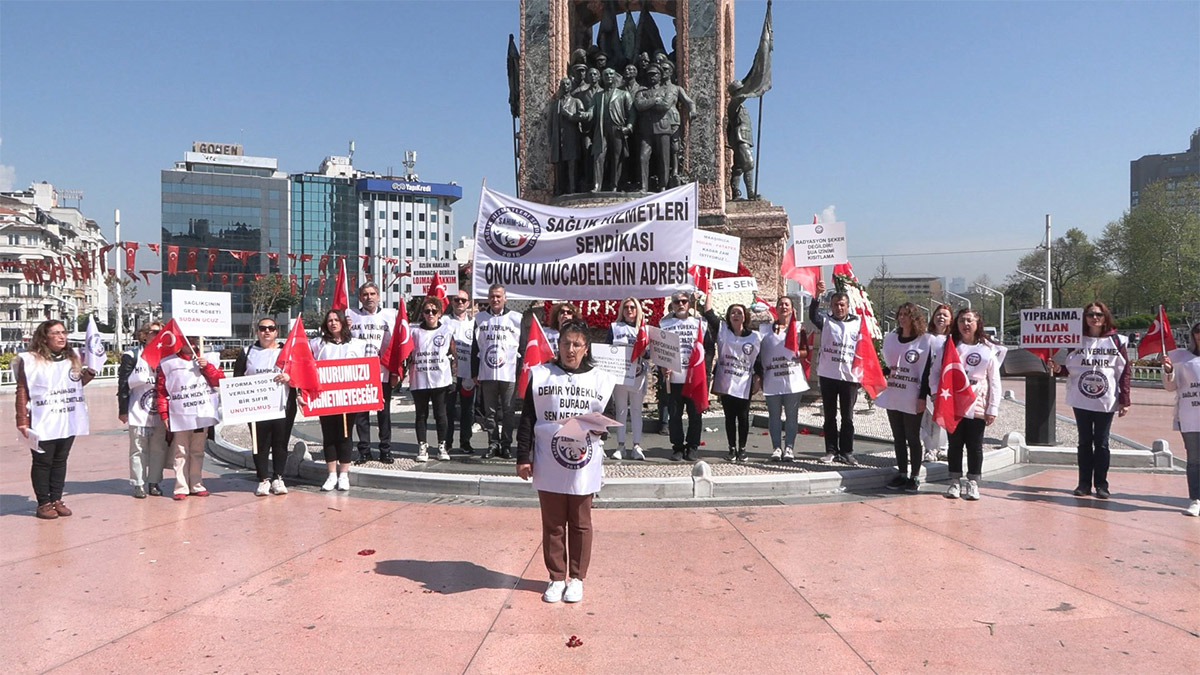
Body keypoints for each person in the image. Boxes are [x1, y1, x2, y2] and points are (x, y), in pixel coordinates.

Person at [515, 319, 616, 604]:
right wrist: (524, 456)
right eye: (565, 343)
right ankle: (556, 577)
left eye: (576, 344)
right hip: (549, 460)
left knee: (581, 521)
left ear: (586, 348)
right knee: (553, 522)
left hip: (583, 461)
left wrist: (599, 428)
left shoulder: (601, 379)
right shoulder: (542, 375)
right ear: (557, 345)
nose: (570, 349)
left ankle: (578, 578)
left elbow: (605, 418)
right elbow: (527, 419)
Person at [1048, 302, 1131, 500]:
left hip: (1106, 400)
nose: (1095, 318)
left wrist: (1125, 399)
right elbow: (1072, 367)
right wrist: (1059, 369)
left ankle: (1102, 485)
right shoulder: (1076, 341)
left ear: (1105, 317)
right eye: (1090, 314)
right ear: (1084, 318)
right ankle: (1083, 483)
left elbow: (1124, 371)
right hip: (1081, 399)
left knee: (1101, 442)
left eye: (1099, 314)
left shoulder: (1117, 341)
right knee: (1084, 441)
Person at [14, 320, 95, 519]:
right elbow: (23, 389)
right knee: (43, 461)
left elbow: (74, 384)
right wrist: (22, 420)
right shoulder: (31, 360)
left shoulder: (71, 358)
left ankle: (57, 499)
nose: (62, 337)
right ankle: (43, 503)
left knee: (60, 460)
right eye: (56, 333)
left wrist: (89, 373)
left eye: (63, 332)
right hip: (43, 418)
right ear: (44, 337)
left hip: (67, 417)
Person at [933, 309, 1000, 501]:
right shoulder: (950, 347)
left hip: (977, 405)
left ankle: (973, 482)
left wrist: (992, 408)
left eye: (970, 320)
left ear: (978, 324)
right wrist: (934, 394)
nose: (966, 324)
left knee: (975, 445)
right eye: (962, 320)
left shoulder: (987, 350)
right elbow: (935, 372)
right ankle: (954, 481)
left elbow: (994, 381)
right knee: (955, 445)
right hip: (953, 403)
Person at [875, 304, 935, 492]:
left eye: (906, 315)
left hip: (912, 394)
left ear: (914, 318)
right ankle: (902, 473)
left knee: (912, 436)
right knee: (898, 437)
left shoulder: (924, 341)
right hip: (894, 392)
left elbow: (926, 371)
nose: (902, 318)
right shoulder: (891, 339)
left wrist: (922, 397)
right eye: (899, 314)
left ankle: (915, 476)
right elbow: (890, 366)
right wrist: (877, 373)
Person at [233, 317, 297, 496]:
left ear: (277, 332)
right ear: (257, 331)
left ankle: (278, 477)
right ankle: (263, 479)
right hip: (256, 407)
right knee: (259, 443)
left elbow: (299, 374)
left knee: (280, 442)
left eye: (271, 328)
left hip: (282, 405)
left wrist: (289, 377)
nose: (266, 331)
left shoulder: (286, 351)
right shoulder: (247, 352)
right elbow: (237, 379)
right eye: (263, 328)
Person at [156, 335, 224, 500]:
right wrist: (164, 413)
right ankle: (181, 486)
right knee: (180, 451)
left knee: (197, 450)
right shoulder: (168, 363)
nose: (191, 343)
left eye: (195, 339)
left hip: (202, 414)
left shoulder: (209, 359)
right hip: (180, 415)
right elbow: (161, 391)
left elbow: (219, 380)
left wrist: (207, 367)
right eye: (188, 339)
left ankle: (196, 483)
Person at [309, 309, 366, 491]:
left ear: (343, 322)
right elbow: (309, 366)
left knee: (345, 434)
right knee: (329, 435)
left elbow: (366, 369)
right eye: (330, 320)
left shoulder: (357, 344)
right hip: (326, 398)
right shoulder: (318, 344)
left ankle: (344, 474)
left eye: (336, 320)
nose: (333, 323)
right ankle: (331, 474)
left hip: (349, 398)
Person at [810, 279, 863, 466]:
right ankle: (831, 450)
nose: (839, 308)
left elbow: (865, 349)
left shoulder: (857, 324)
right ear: (831, 306)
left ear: (848, 306)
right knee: (830, 416)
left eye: (842, 305)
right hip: (828, 375)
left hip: (849, 377)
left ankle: (847, 451)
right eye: (835, 305)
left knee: (847, 417)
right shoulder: (826, 321)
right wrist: (817, 295)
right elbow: (812, 315)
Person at [704, 295, 763, 462]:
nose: (736, 315)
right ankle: (731, 448)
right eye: (733, 313)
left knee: (743, 417)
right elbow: (708, 313)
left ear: (745, 316)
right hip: (726, 381)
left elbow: (758, 360)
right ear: (729, 317)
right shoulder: (723, 331)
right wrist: (708, 291)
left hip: (744, 382)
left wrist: (758, 379)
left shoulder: (754, 337)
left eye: (739, 312)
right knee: (729, 417)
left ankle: (742, 449)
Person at [346, 282, 398, 464]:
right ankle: (364, 450)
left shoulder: (389, 316)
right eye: (365, 294)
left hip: (382, 371)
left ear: (378, 296)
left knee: (384, 413)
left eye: (372, 293)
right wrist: (345, 326)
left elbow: (397, 344)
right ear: (360, 297)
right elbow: (339, 338)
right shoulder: (350, 315)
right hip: (359, 373)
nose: (369, 297)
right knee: (361, 415)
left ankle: (385, 450)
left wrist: (396, 371)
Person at [472, 283, 524, 459]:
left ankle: (507, 445)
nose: (495, 299)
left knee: (509, 411)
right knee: (490, 412)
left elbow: (522, 348)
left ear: (505, 298)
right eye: (492, 296)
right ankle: (493, 444)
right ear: (488, 298)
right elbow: (475, 347)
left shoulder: (516, 318)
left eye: (498, 296)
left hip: (508, 373)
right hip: (487, 373)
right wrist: (474, 372)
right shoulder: (479, 318)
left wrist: (521, 372)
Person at [756, 296, 810, 462]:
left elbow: (805, 352)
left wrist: (796, 353)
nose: (783, 307)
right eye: (781, 304)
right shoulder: (765, 330)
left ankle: (789, 448)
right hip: (773, 379)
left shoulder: (798, 328)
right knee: (774, 416)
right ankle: (776, 448)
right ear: (776, 309)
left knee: (791, 416)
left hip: (792, 379)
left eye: (787, 304)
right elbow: (759, 354)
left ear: (792, 309)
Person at [117, 321, 167, 498]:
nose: (158, 335)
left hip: (159, 411)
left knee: (158, 448)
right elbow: (123, 384)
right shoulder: (132, 355)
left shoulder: (166, 356)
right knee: (138, 448)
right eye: (154, 332)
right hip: (138, 409)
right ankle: (138, 483)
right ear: (144, 335)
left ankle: (154, 482)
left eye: (161, 332)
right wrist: (122, 410)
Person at [408, 296, 456, 462]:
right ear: (423, 313)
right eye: (427, 311)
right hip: (419, 378)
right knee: (421, 414)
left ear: (439, 313)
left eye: (434, 311)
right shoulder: (413, 331)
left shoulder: (447, 330)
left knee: (440, 414)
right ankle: (422, 445)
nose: (430, 314)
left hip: (440, 379)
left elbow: (454, 354)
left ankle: (442, 445)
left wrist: (454, 375)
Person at [659, 290, 703, 461]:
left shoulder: (700, 323)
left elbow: (706, 346)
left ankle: (692, 446)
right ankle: (677, 447)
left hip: (693, 378)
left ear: (689, 303)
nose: (681, 304)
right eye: (677, 302)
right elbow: (659, 349)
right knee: (674, 415)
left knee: (695, 415)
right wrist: (662, 367)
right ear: (672, 305)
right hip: (674, 378)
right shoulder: (664, 324)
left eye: (684, 301)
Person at [1162, 322, 1200, 516]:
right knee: (1194, 459)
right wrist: (1168, 371)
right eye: (1197, 331)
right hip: (1190, 417)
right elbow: (1171, 387)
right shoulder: (1181, 358)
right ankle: (1195, 499)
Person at [607, 297, 649, 460]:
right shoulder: (614, 327)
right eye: (626, 307)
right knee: (621, 410)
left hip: (638, 375)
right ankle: (621, 445)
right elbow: (607, 348)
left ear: (637, 310)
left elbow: (649, 353)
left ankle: (637, 446)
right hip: (619, 375)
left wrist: (642, 353)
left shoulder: (643, 328)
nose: (629, 310)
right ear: (621, 310)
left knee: (637, 410)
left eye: (632, 307)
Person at [445, 289, 477, 454]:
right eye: (456, 300)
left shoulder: (474, 323)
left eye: (463, 300)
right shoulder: (444, 320)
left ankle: (465, 441)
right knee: (448, 409)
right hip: (449, 373)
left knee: (468, 410)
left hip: (468, 372)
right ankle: (447, 442)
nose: (460, 303)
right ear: (451, 301)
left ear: (468, 302)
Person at [921, 304, 953, 462]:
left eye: (945, 315)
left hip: (946, 385)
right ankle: (929, 448)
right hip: (926, 384)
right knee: (927, 418)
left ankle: (943, 448)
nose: (941, 317)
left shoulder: (953, 339)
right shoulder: (925, 337)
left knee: (944, 417)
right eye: (938, 314)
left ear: (950, 320)